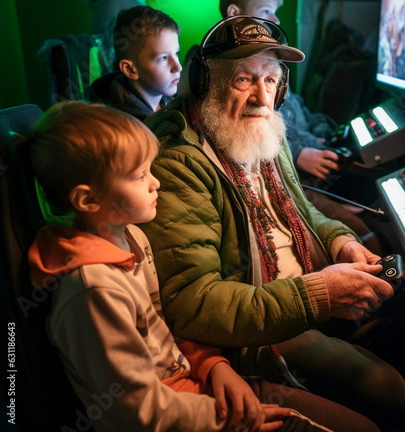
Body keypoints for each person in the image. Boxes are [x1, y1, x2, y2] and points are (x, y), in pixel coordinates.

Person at [140, 16, 405, 429]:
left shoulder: (263, 130)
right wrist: (318, 295)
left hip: (309, 286)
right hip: (259, 330)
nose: (262, 96)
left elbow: (303, 213)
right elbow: (193, 304)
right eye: (244, 79)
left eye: (272, 80)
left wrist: (340, 244)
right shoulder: (179, 163)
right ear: (207, 84)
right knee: (390, 394)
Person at [26, 101, 379, 432]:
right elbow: (133, 410)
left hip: (200, 384)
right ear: (88, 199)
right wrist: (221, 419)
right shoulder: (93, 291)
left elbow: (166, 329)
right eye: (137, 176)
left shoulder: (131, 235)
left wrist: (214, 366)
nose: (156, 182)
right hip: (190, 415)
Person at [218, 0, 383, 254]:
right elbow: (248, 133)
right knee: (365, 233)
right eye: (267, 11)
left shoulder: (269, 61)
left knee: (372, 190)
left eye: (276, 12)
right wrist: (298, 153)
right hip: (290, 170)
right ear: (235, 12)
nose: (276, 20)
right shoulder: (229, 66)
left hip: (303, 156)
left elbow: (296, 111)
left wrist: (321, 135)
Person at [89, 5, 182, 121]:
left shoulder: (174, 101)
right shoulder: (122, 130)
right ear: (129, 69)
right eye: (163, 58)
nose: (178, 67)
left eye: (176, 53)